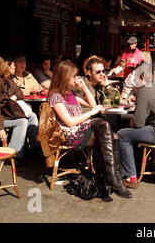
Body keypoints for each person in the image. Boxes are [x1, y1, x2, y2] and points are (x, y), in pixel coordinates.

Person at [48, 60, 132, 199]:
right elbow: (69, 123)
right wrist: (90, 114)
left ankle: (112, 178)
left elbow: (92, 105)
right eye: (74, 76)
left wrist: (84, 88)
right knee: (105, 126)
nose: (76, 78)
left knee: (112, 134)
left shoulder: (70, 93)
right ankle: (113, 179)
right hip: (70, 133)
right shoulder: (56, 96)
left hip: (81, 128)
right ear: (64, 77)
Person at [117, 65, 155, 189]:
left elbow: (138, 123)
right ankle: (137, 163)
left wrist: (132, 121)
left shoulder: (145, 91)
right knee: (129, 131)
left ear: (142, 77)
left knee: (123, 134)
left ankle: (130, 177)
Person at [0, 56, 39, 166]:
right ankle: (13, 156)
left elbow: (19, 92)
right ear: (5, 67)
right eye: (13, 65)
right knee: (22, 121)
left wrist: (14, 97)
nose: (15, 66)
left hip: (7, 114)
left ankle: (34, 147)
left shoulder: (9, 80)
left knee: (32, 116)